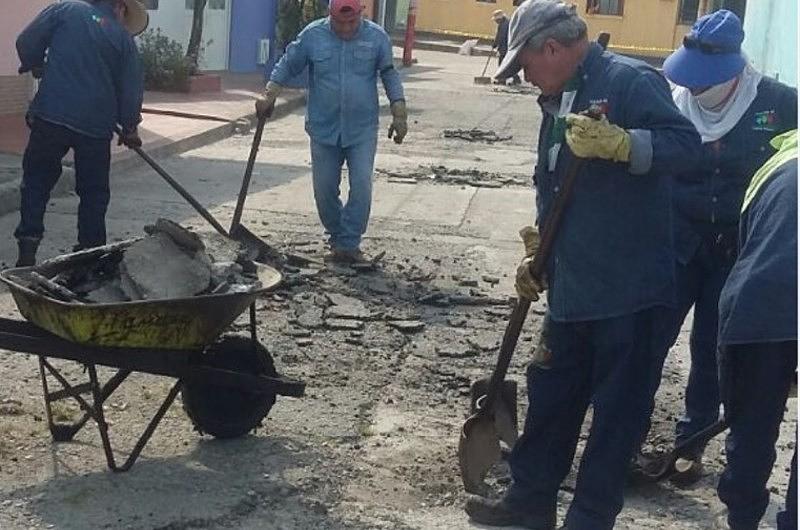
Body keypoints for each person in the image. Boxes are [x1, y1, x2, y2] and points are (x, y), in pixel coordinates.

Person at [465, 1, 701, 529]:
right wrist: (539, 247)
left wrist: (625, 145)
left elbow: (688, 149)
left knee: (616, 418)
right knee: (551, 399)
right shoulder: (556, 99)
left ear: (551, 48)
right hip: (573, 287)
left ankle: (589, 518)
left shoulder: (631, 83)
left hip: (631, 294)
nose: (524, 78)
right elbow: (549, 178)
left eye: (523, 63)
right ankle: (529, 504)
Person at [638, 10, 797, 485]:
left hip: (739, 253)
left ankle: (692, 443)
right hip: (677, 241)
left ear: (734, 72)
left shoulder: (778, 103)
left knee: (711, 348)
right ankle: (627, 432)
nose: (698, 91)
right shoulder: (675, 103)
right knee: (649, 337)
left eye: (707, 83)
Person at [255, 0, 407, 264]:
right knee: (324, 189)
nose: (346, 28)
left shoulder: (376, 38)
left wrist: (399, 111)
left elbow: (389, 73)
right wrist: (270, 94)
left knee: (361, 185)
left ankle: (349, 243)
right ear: (330, 17)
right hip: (324, 127)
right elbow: (288, 64)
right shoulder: (313, 35)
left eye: (352, 22)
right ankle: (338, 238)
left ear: (361, 14)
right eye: (340, 23)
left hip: (362, 128)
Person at [14, 0, 147, 267]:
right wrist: (130, 127)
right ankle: (90, 255)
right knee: (94, 192)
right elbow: (130, 89)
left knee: (37, 181)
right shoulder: (123, 40)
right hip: (96, 127)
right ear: (120, 7)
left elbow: (26, 41)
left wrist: (36, 64)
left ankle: (27, 248)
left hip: (51, 115)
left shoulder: (66, 9)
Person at [715, 129, 797, 530]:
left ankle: (742, 515)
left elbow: (747, 239)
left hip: (756, 305)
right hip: (769, 300)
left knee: (751, 422)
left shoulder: (774, 166)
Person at [492, 10, 521, 85]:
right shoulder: (506, 22)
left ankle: (502, 80)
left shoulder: (504, 24)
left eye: (496, 20)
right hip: (509, 46)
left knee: (502, 63)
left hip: (506, 47)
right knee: (508, 64)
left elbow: (501, 36)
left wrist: (495, 44)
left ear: (499, 19)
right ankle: (516, 79)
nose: (495, 22)